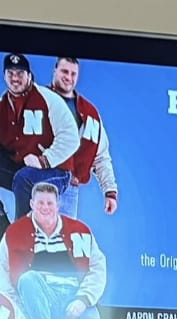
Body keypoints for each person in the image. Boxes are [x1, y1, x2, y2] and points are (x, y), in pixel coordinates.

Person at [0, 52, 79, 250]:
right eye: (10, 73)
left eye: (20, 73)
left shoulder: (48, 99)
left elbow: (71, 138)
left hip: (55, 171)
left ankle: (23, 236)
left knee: (24, 178)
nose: (15, 78)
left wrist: (45, 159)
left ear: (29, 75)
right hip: (19, 170)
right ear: (4, 76)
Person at [0, 180, 106, 319]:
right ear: (32, 204)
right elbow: (1, 273)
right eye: (40, 203)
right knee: (28, 279)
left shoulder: (79, 230)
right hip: (37, 298)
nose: (45, 207)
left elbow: (97, 267)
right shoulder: (15, 232)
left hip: (75, 296)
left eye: (50, 203)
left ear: (58, 205)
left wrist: (83, 300)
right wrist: (19, 308)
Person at [47, 57, 118, 219]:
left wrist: (110, 191)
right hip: (40, 184)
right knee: (32, 240)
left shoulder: (90, 113)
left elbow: (101, 157)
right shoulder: (37, 99)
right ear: (55, 71)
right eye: (64, 71)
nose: (68, 77)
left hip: (69, 189)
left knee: (64, 242)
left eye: (73, 74)